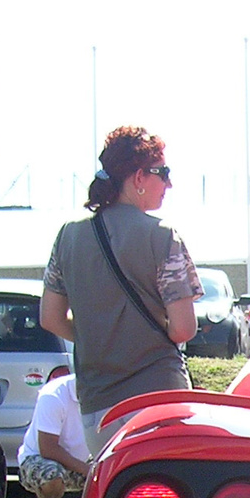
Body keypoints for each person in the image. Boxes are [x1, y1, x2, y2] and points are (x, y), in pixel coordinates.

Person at [40, 126, 201, 456]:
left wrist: (94, 337)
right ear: (139, 177)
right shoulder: (162, 236)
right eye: (163, 173)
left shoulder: (68, 237)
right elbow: (184, 329)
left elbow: (50, 318)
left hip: (97, 406)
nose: (168, 184)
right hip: (159, 401)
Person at [17, 368, 89, 498]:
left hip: (82, 461)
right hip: (39, 460)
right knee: (52, 474)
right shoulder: (53, 395)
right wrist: (91, 471)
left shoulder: (106, 395)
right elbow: (48, 449)